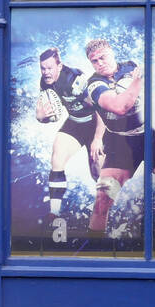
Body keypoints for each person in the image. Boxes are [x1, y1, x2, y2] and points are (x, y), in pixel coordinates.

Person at [82, 39, 148, 233]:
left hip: (149, 135)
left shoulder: (131, 66)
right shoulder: (94, 84)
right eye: (94, 61)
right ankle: (93, 252)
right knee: (102, 200)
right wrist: (137, 81)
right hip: (120, 142)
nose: (99, 63)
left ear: (112, 53)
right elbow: (119, 108)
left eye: (102, 57)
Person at [33, 47, 97, 217]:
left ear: (59, 66)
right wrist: (40, 117)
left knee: (98, 171)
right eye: (43, 68)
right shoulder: (44, 82)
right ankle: (54, 213)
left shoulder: (73, 79)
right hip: (75, 122)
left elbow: (100, 108)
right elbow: (49, 114)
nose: (46, 72)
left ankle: (104, 209)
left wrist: (98, 139)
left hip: (95, 123)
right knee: (57, 156)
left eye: (49, 68)